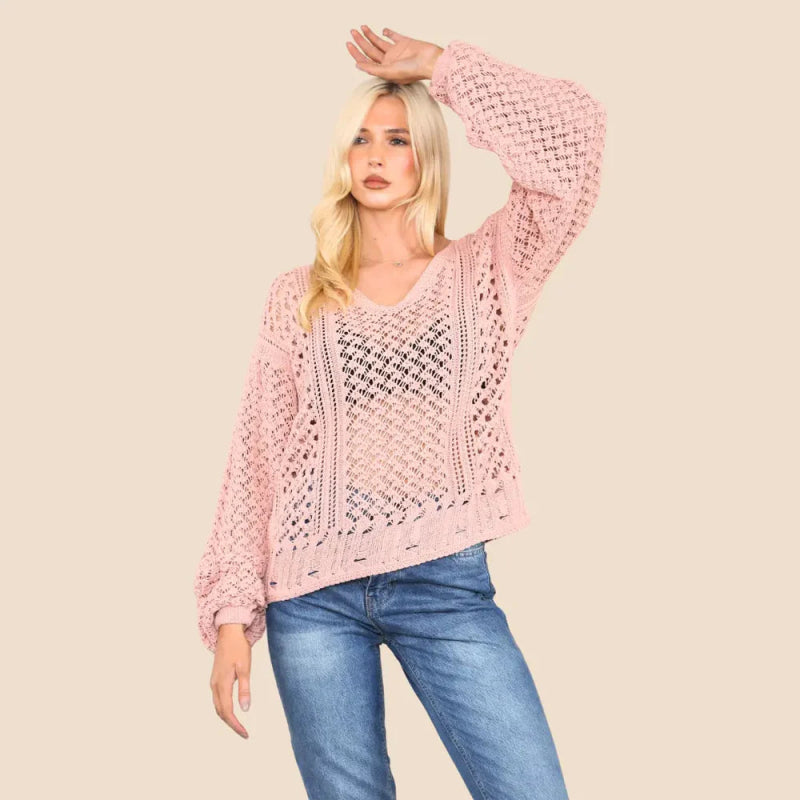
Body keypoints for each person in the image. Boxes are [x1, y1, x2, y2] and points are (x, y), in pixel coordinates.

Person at [193, 25, 606, 800]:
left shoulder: (488, 268)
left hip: (444, 582)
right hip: (312, 595)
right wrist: (230, 616)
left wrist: (446, 69)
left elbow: (575, 144)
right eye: (361, 139)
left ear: (428, 158)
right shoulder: (297, 296)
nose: (376, 156)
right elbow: (256, 459)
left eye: (399, 139)